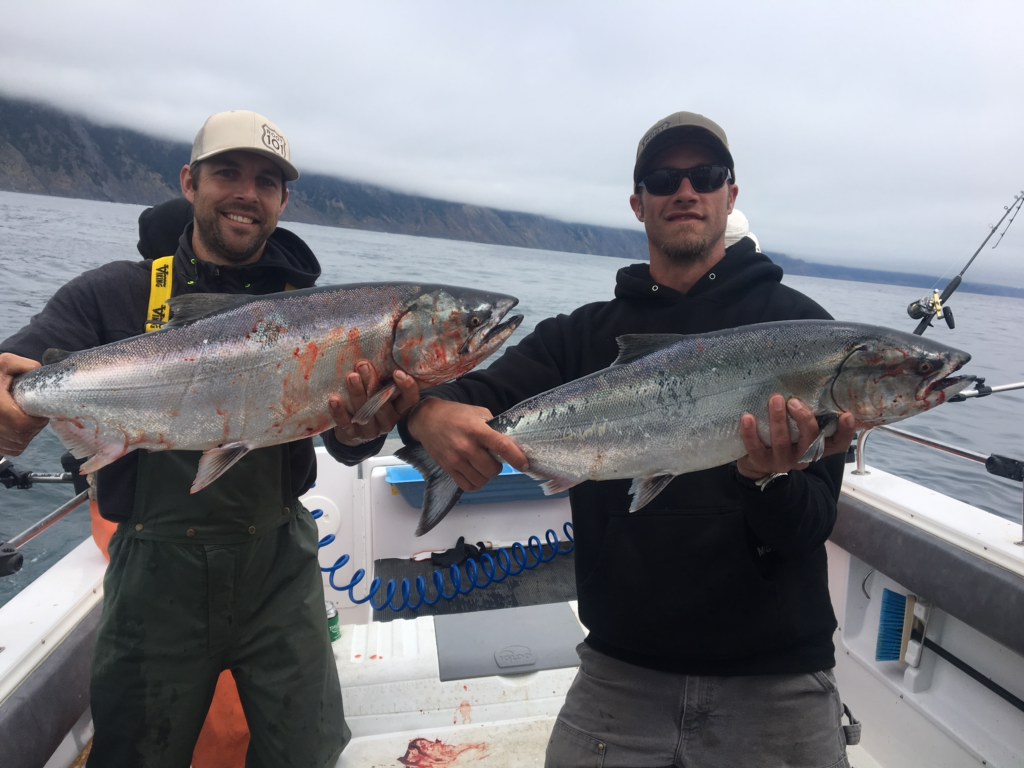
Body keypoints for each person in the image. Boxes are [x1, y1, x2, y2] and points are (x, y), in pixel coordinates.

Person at [400, 112, 860, 767]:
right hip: (621, 668)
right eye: (663, 178)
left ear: (731, 196)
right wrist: (424, 416)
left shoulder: (802, 335)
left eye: (705, 176)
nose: (685, 190)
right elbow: (466, 399)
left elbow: (807, 526)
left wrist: (766, 478)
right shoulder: (580, 339)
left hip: (775, 679)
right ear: (638, 202)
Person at [0, 110, 418, 767]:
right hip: (155, 580)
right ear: (190, 182)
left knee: (306, 753)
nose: (247, 192)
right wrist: (14, 407)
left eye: (268, 181)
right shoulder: (114, 294)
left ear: (283, 201)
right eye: (228, 172)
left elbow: (344, 445)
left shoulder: (313, 314)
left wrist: (365, 434)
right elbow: (15, 369)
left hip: (279, 568)